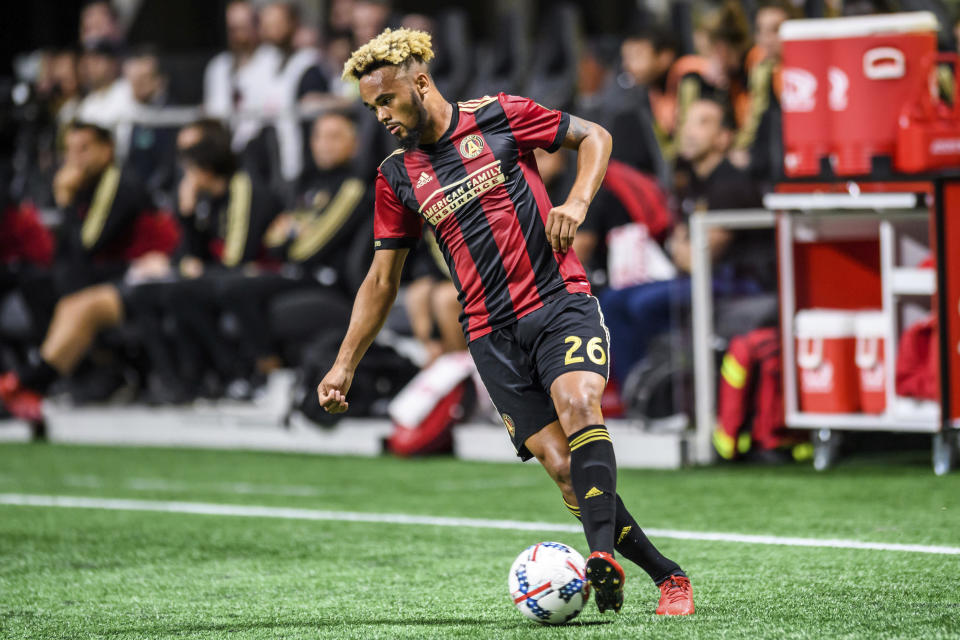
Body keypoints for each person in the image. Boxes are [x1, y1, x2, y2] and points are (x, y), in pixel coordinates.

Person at [316, 27, 694, 616]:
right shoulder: (396, 177)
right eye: (371, 108)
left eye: (386, 100)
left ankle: (601, 560)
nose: (381, 116)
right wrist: (343, 366)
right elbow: (381, 281)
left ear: (420, 82)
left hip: (557, 301)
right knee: (565, 472)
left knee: (579, 404)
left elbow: (595, 136)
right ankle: (668, 576)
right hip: (490, 334)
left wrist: (575, 203)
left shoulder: (499, 115)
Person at [600, 96, 762, 384]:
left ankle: (669, 392)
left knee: (642, 305)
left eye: (703, 123)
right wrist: (680, 246)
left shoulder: (730, 183)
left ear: (724, 138)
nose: (688, 131)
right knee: (611, 301)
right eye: (687, 121)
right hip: (697, 276)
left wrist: (679, 246)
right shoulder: (692, 183)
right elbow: (682, 247)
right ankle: (635, 396)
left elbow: (698, 259)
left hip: (739, 280)